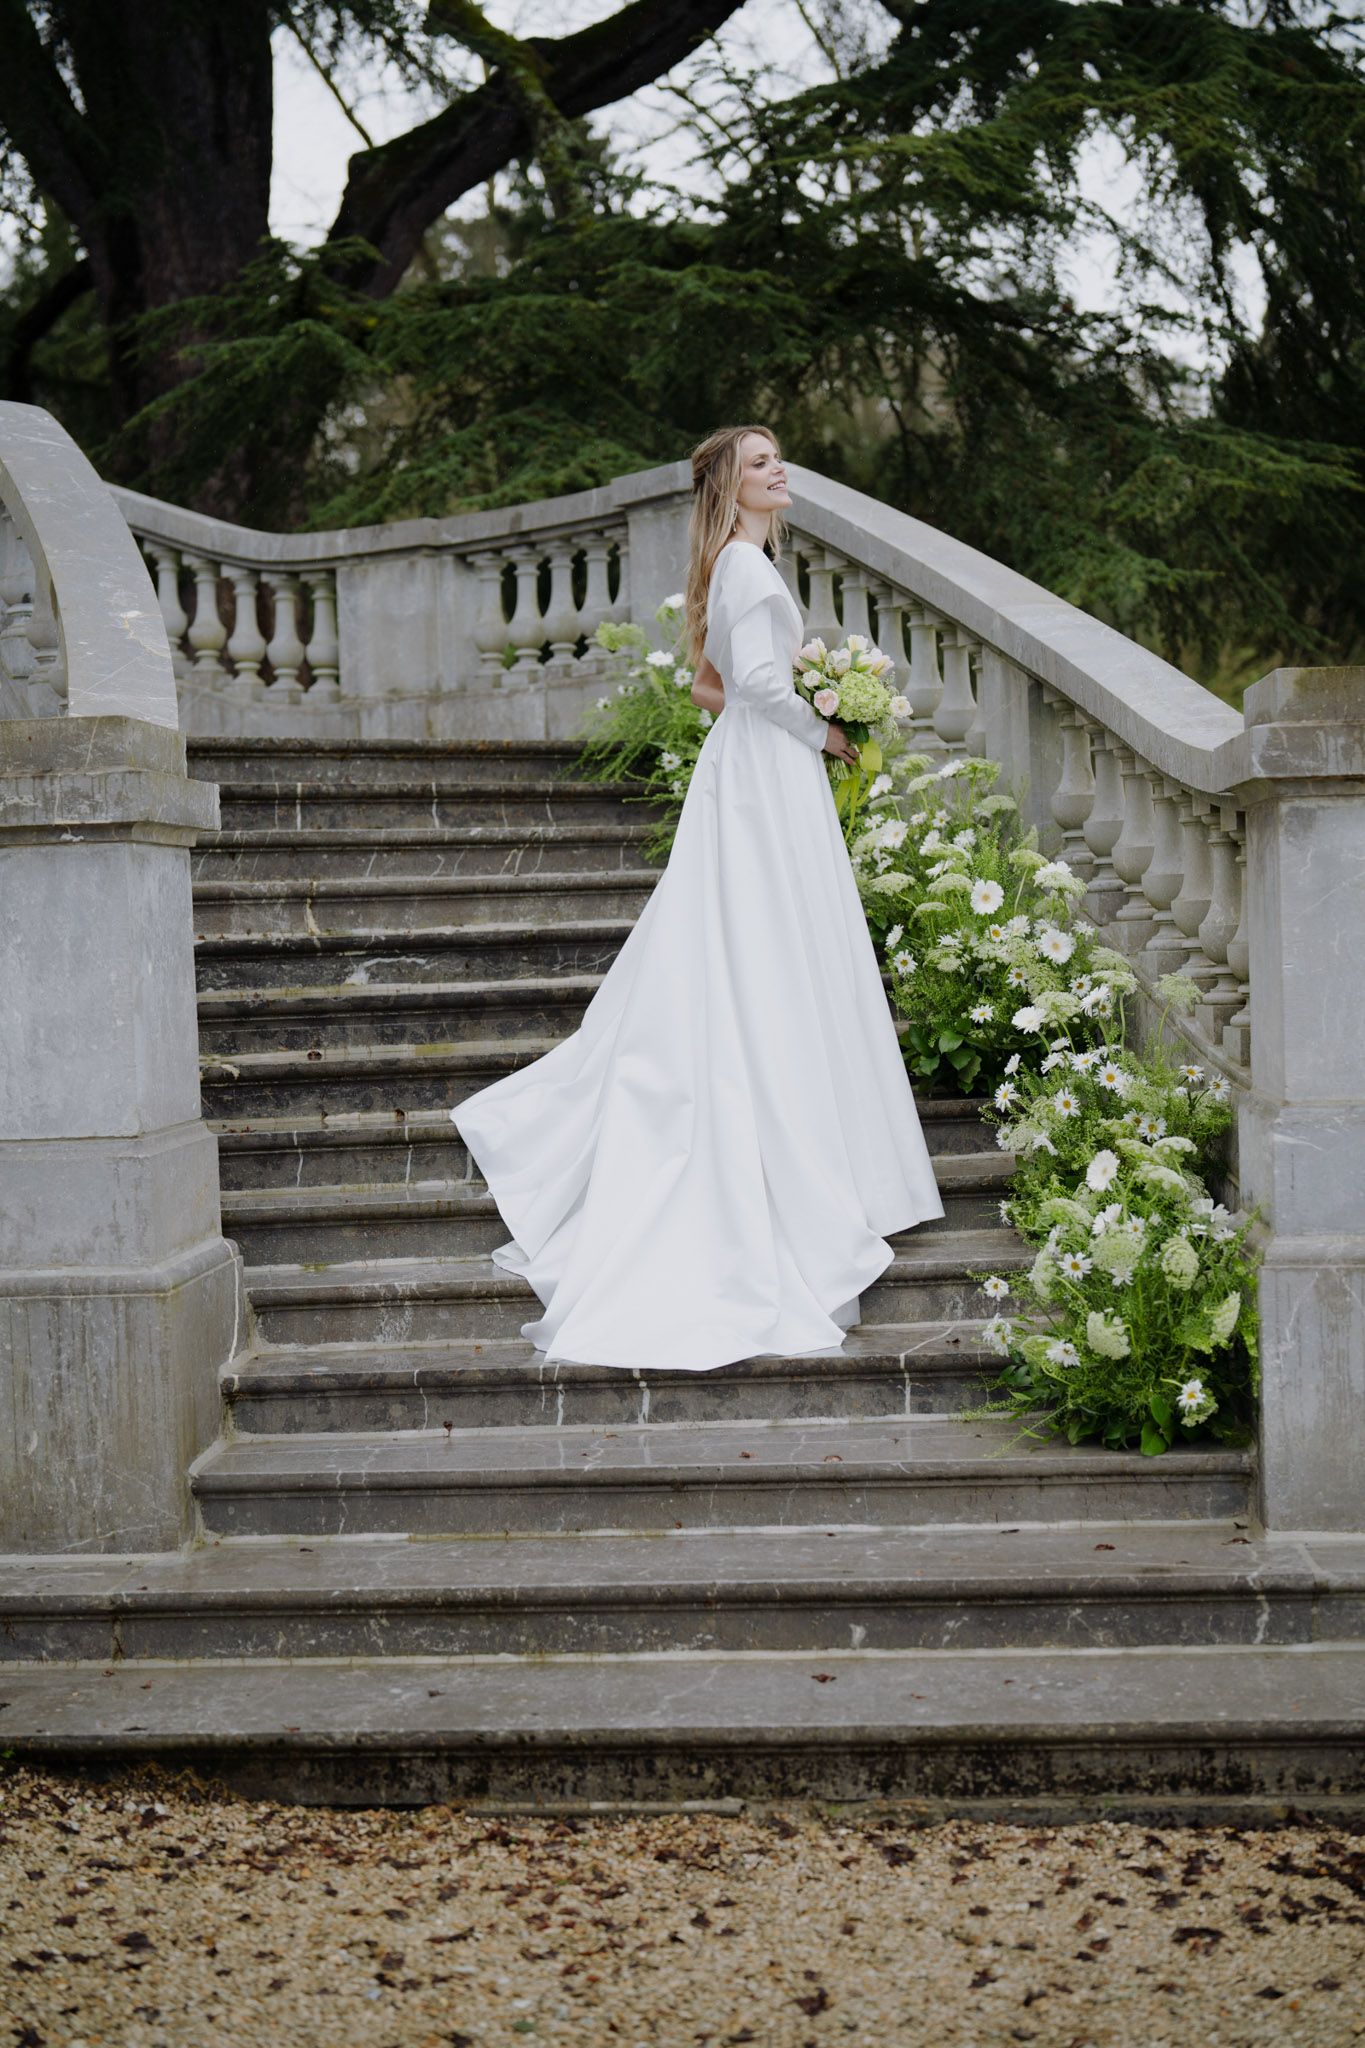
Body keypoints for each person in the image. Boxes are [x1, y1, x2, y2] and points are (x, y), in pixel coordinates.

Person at [452, 424, 944, 1371]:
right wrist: (830, 730)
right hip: (766, 776)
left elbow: (706, 687)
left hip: (747, 770)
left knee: (752, 943)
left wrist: (811, 707)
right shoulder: (749, 572)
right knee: (769, 948)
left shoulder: (731, 567)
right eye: (762, 464)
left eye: (779, 459)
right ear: (730, 483)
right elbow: (752, 685)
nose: (780, 470)